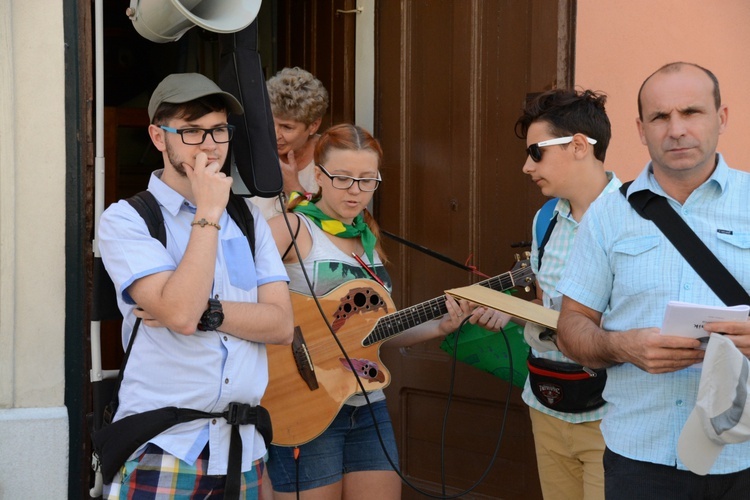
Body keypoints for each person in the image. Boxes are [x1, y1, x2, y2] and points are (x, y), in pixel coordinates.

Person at [263, 123, 508, 499]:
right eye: (343, 178)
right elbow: (234, 297)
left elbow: (372, 335)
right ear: (318, 176)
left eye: (366, 180)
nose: (355, 191)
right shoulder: (292, 229)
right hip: (303, 402)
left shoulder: (368, 242)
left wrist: (440, 326)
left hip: (366, 405)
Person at [556, 62, 750, 499]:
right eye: (660, 117)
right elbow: (571, 328)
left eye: (691, 112)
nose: (676, 129)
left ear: (721, 118)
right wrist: (621, 346)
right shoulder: (607, 215)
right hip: (641, 460)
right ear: (641, 129)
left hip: (743, 455)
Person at [98, 72, 295, 498]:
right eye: (191, 131)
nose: (210, 145)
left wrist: (210, 311)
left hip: (243, 450)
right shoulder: (127, 219)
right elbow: (181, 315)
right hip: (165, 445)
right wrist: (207, 211)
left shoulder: (247, 219)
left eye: (219, 130)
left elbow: (280, 325)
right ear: (157, 135)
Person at [515, 89, 620, 500]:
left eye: (536, 153)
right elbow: (544, 303)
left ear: (579, 145)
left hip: (609, 414)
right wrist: (511, 311)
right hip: (547, 403)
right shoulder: (545, 219)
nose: (526, 167)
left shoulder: (636, 217)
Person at [251, 67, 329, 219]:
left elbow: (334, 229)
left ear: (313, 125)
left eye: (287, 127)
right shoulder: (254, 151)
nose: (274, 135)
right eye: (270, 123)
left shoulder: (331, 159)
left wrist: (293, 188)